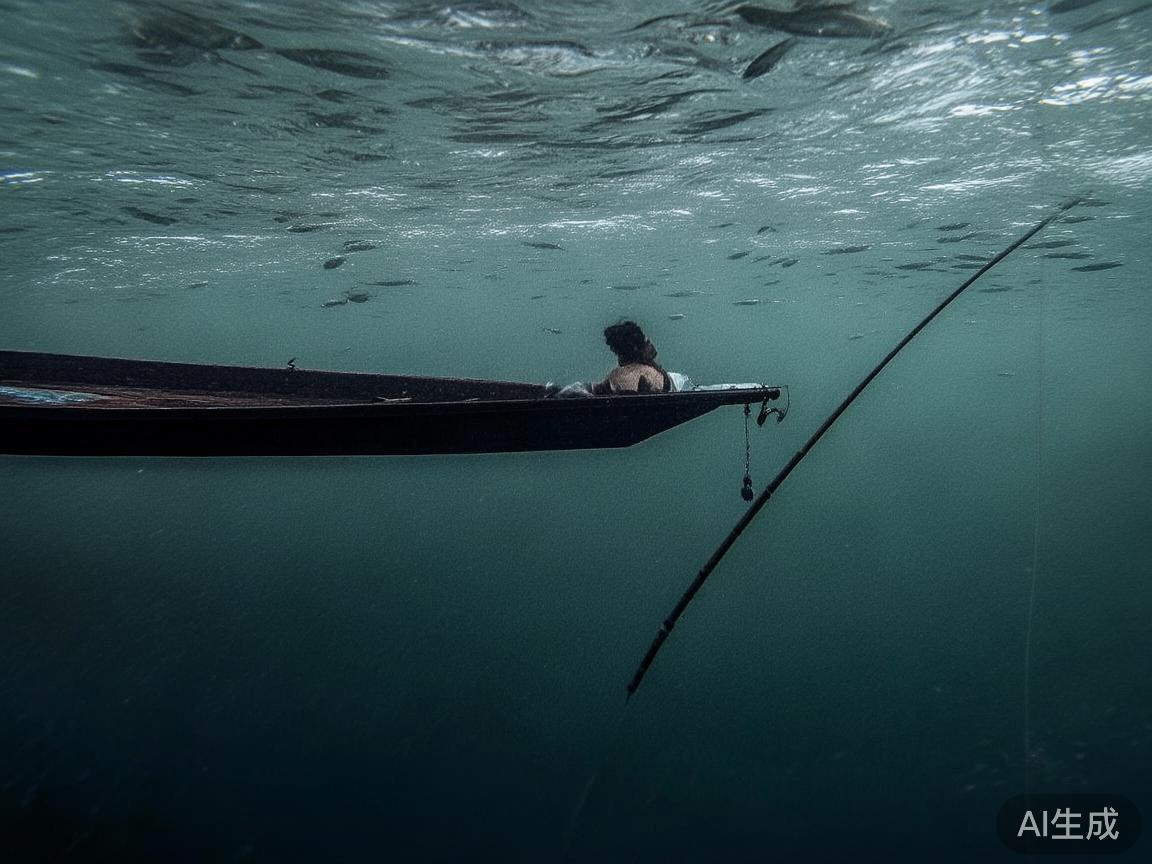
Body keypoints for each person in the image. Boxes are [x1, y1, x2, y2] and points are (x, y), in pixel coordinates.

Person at [591, 320, 672, 395]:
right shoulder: (652, 374)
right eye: (647, 342)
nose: (652, 345)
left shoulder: (613, 376)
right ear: (636, 348)